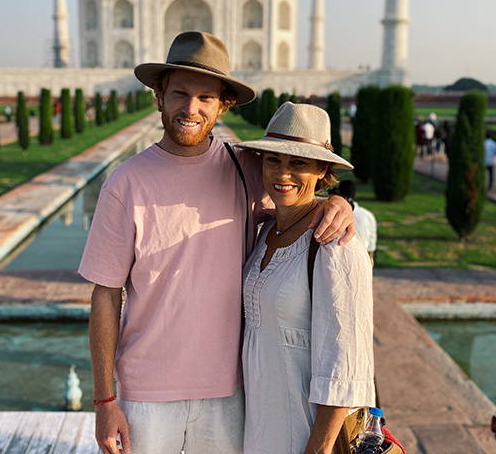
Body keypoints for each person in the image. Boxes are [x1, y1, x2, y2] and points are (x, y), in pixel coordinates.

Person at [78, 31, 355, 454]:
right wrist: (103, 400)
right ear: (160, 95)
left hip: (230, 392)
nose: (191, 108)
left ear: (222, 104)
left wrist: (336, 202)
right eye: (180, 94)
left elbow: (296, 194)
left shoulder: (244, 167)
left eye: (206, 98)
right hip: (147, 393)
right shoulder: (126, 182)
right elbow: (105, 295)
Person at [236, 102, 375, 454]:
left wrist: (318, 450)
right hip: (258, 429)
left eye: (298, 163)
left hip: (305, 436)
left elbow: (346, 366)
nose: (283, 174)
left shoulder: (334, 243)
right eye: (273, 160)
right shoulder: (266, 230)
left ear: (321, 169)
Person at [337, 179, 378, 265]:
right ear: (355, 194)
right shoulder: (368, 215)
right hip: (362, 262)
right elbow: (371, 248)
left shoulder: (334, 214)